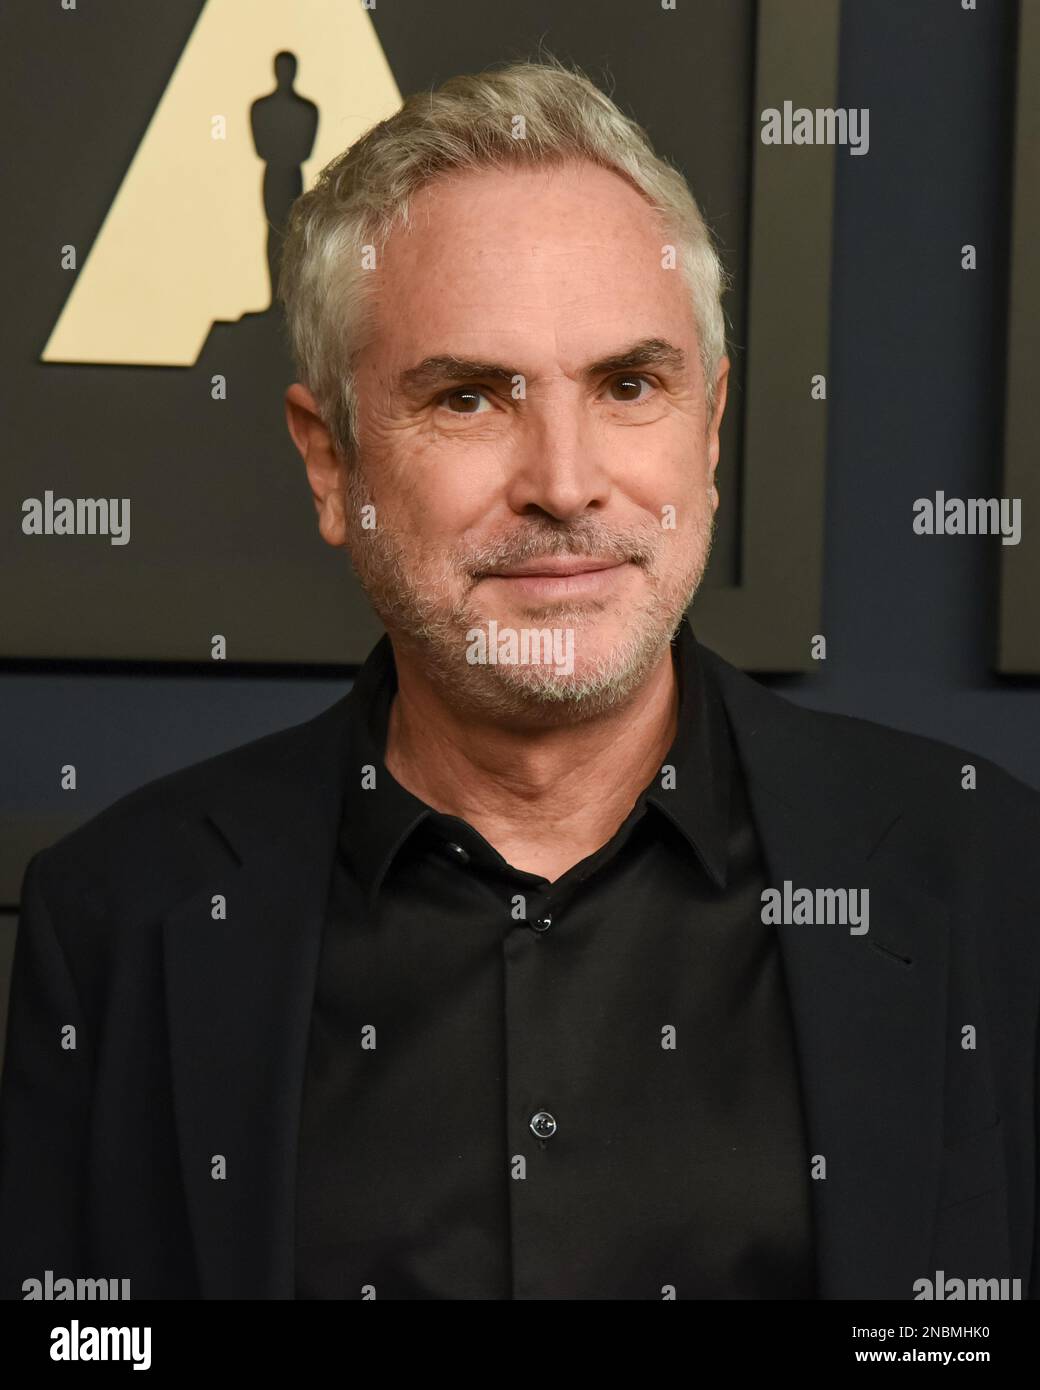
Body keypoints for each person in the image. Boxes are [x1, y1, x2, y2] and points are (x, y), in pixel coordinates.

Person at [1, 57, 1037, 1301]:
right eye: (471, 397)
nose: (562, 478)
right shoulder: (123, 918)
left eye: (627, 385)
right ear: (331, 465)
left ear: (708, 433)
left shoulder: (983, 876)